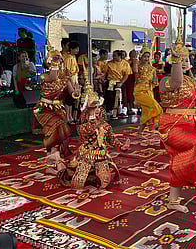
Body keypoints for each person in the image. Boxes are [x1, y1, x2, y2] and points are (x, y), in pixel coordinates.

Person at [158, 28, 196, 213]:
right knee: (195, 148)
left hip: (192, 124)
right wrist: (176, 62)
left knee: (191, 154)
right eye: (179, 60)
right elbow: (176, 82)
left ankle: (177, 197)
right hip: (173, 124)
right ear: (172, 61)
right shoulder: (165, 81)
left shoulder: (192, 82)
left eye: (185, 60)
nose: (183, 63)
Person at [58, 83, 130, 189]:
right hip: (86, 155)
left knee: (105, 183)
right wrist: (91, 117)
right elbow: (87, 131)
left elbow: (110, 138)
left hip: (101, 155)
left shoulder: (105, 126)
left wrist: (121, 146)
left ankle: (94, 177)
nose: (96, 110)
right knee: (77, 183)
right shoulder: (82, 127)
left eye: (98, 107)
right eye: (93, 108)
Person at [34, 46, 81, 175]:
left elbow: (73, 94)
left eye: (60, 61)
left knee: (61, 134)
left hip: (59, 108)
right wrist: (54, 61)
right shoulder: (44, 76)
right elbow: (53, 78)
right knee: (55, 129)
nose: (58, 63)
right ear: (48, 63)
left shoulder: (66, 77)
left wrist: (77, 91)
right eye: (55, 61)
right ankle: (57, 161)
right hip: (44, 108)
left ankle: (51, 164)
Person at [134, 45, 163, 138]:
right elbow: (134, 72)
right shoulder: (137, 66)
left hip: (149, 91)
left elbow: (155, 82)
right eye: (144, 56)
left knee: (146, 112)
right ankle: (155, 124)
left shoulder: (152, 69)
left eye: (147, 56)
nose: (146, 58)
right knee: (156, 107)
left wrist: (154, 81)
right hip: (139, 91)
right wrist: (135, 59)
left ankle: (140, 133)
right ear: (141, 56)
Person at [102, 50, 132, 119]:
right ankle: (111, 111)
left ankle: (122, 111)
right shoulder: (109, 63)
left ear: (119, 56)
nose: (113, 57)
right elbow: (105, 73)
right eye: (113, 55)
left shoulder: (125, 64)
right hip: (110, 82)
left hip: (120, 81)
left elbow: (126, 75)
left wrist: (121, 82)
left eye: (115, 55)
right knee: (110, 96)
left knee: (122, 96)